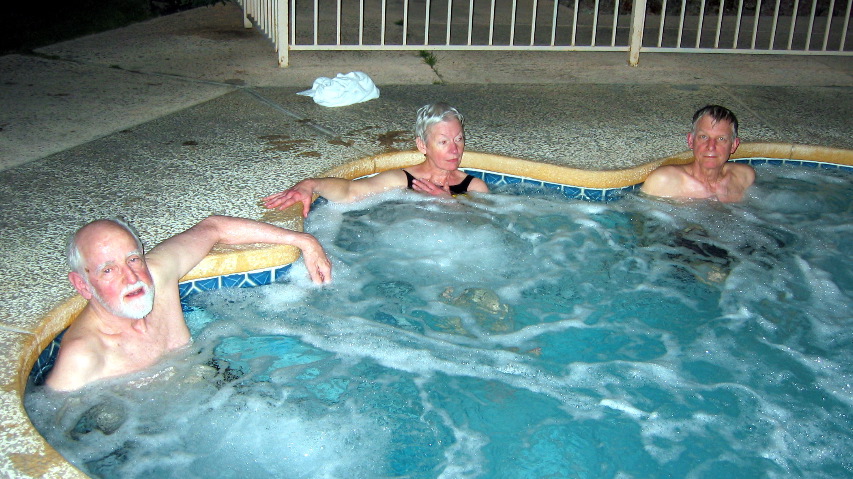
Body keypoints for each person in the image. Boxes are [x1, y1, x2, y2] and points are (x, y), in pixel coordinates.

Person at [45, 215, 332, 391]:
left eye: (133, 259)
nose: (131, 277)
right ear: (83, 285)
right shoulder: (83, 356)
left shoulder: (158, 275)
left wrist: (304, 241)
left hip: (209, 386)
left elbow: (214, 228)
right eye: (108, 270)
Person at [263, 102, 489, 217]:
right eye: (443, 142)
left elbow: (491, 226)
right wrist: (311, 184)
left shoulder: (475, 187)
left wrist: (451, 204)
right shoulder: (401, 180)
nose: (454, 149)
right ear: (422, 145)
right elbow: (350, 192)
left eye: (459, 139)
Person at [641, 105, 755, 202]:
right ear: (691, 141)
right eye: (703, 137)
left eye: (721, 139)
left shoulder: (743, 177)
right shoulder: (664, 181)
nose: (711, 146)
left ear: (734, 145)